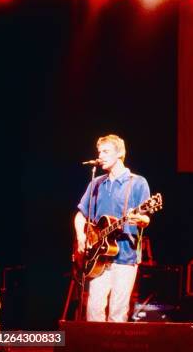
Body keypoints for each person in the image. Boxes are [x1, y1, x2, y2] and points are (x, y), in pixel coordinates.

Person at [74, 134, 151, 322]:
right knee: (93, 310)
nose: (100, 155)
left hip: (125, 256)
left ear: (120, 153)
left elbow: (146, 218)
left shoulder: (137, 182)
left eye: (106, 151)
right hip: (98, 257)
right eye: (99, 151)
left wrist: (140, 219)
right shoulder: (97, 183)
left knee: (118, 312)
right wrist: (81, 237)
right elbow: (80, 215)